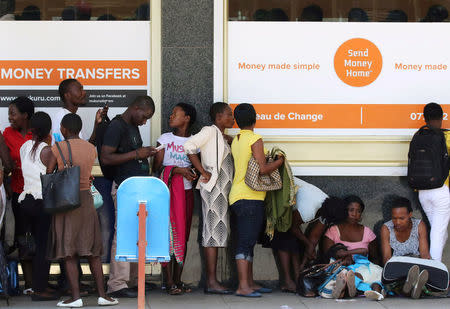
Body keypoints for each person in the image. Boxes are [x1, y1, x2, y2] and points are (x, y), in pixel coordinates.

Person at [47, 113, 118, 307]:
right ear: (78, 129)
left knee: (69, 251)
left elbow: (49, 173)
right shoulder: (90, 148)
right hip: (87, 200)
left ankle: (76, 297)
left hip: (66, 202)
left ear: (63, 129)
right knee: (92, 251)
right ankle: (103, 295)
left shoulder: (58, 147)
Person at [101, 95, 157, 298]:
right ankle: (117, 284)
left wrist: (144, 153)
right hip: (124, 187)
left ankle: (133, 280)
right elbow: (106, 158)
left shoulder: (132, 127)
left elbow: (134, 153)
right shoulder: (117, 126)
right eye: (145, 116)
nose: (145, 121)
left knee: (136, 236)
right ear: (135, 108)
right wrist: (137, 155)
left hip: (138, 187)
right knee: (124, 234)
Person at [229, 103, 284, 297]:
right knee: (246, 242)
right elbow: (263, 169)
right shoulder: (255, 139)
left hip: (237, 195)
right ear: (255, 119)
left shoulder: (236, 139)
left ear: (236, 120)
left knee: (248, 240)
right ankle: (243, 286)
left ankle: (249, 283)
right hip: (250, 197)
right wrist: (279, 161)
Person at [184, 102, 234, 295]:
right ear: (218, 117)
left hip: (222, 193)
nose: (232, 118)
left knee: (217, 234)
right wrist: (202, 170)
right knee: (212, 234)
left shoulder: (220, 136)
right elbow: (189, 146)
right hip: (214, 191)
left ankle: (214, 281)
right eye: (229, 115)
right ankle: (211, 282)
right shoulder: (209, 131)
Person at [153, 103, 197, 295]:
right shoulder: (164, 138)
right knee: (166, 235)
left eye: (175, 114)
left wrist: (191, 173)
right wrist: (177, 170)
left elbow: (199, 166)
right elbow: (156, 168)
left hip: (186, 193)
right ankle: (168, 280)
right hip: (166, 193)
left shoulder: (195, 141)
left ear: (186, 118)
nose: (171, 116)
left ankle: (178, 279)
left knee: (183, 235)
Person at [18, 112, 58, 301]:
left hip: (25, 200)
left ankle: (36, 284)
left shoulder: (24, 147)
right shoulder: (48, 150)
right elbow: (50, 176)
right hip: (41, 202)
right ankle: (40, 290)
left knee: (34, 245)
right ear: (49, 130)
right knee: (44, 247)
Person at [273, 193, 347, 294]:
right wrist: (308, 245)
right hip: (279, 208)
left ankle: (297, 279)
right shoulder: (309, 209)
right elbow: (292, 227)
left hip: (288, 213)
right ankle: (288, 281)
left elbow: (314, 237)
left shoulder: (327, 207)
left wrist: (307, 254)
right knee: (289, 241)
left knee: (298, 244)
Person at [322, 195, 384, 300]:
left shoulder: (367, 232)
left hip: (364, 269)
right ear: (344, 211)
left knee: (377, 277)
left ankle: (351, 289)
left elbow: (374, 258)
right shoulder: (333, 231)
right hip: (341, 268)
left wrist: (373, 269)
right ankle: (347, 288)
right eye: (351, 210)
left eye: (358, 211)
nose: (354, 214)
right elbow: (328, 256)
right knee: (346, 275)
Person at [3, 96, 34, 294]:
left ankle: (40, 282)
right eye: (8, 114)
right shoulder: (6, 134)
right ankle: (29, 285)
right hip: (16, 192)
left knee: (38, 239)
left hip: (38, 195)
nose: (10, 117)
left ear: (25, 115)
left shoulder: (38, 133)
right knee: (22, 238)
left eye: (13, 113)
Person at [417, 102, 450, 261]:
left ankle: (435, 272)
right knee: (438, 234)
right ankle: (433, 277)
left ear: (424, 118)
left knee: (439, 232)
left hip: (422, 192)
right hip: (440, 191)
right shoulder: (445, 136)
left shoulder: (418, 135)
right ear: (442, 117)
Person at [380, 197, 431, 299]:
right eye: (394, 218)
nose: (397, 222)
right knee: (394, 282)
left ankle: (411, 287)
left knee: (419, 275)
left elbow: (425, 255)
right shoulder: (386, 228)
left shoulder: (419, 225)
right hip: (397, 267)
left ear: (410, 215)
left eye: (402, 218)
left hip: (416, 265)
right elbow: (387, 259)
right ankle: (413, 288)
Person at [53, 79, 106, 145]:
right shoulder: (62, 118)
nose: (84, 92)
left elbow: (85, 147)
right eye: (79, 90)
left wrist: (96, 124)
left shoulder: (73, 117)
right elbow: (63, 151)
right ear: (67, 95)